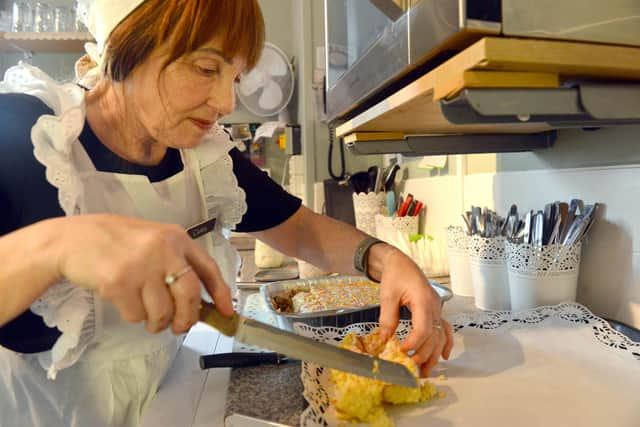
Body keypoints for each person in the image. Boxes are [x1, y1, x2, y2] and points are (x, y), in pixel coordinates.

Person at [0, 0, 453, 426]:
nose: (227, 103)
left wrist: (388, 261)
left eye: (234, 77)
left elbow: (299, 229)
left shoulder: (203, 155)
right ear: (124, 43)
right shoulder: (27, 134)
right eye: (205, 68)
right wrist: (59, 246)